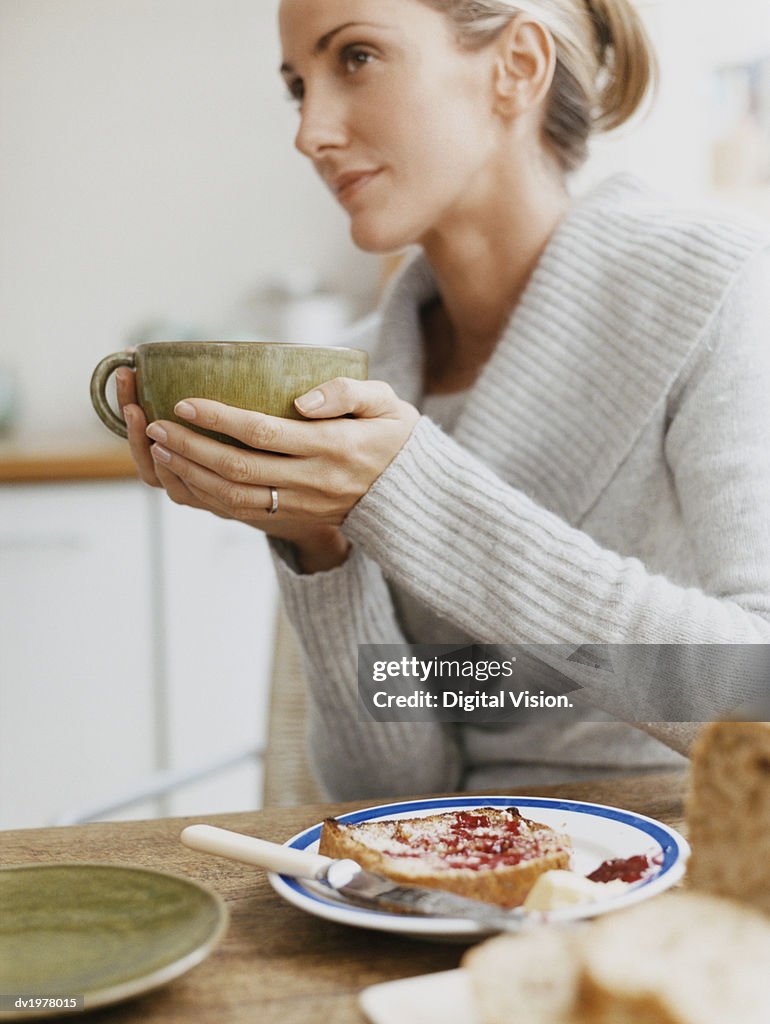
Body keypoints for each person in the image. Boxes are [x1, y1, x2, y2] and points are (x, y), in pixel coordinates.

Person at [117, 0, 770, 799]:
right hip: (454, 875)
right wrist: (321, 550)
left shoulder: (715, 285)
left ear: (517, 66)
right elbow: (392, 791)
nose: (310, 132)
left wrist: (405, 492)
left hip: (694, 860)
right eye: (297, 86)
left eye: (355, 58)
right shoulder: (357, 376)